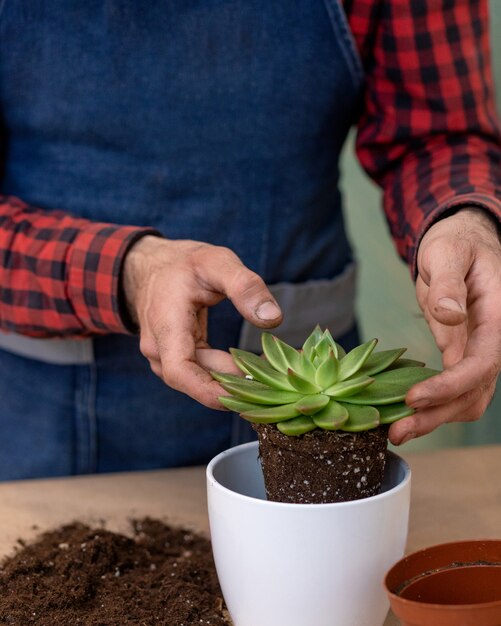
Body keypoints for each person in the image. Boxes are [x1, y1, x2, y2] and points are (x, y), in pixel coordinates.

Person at [0, 0, 500, 480]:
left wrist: (466, 219)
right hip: (47, 405)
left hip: (317, 392)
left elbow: (439, 133)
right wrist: (127, 271)